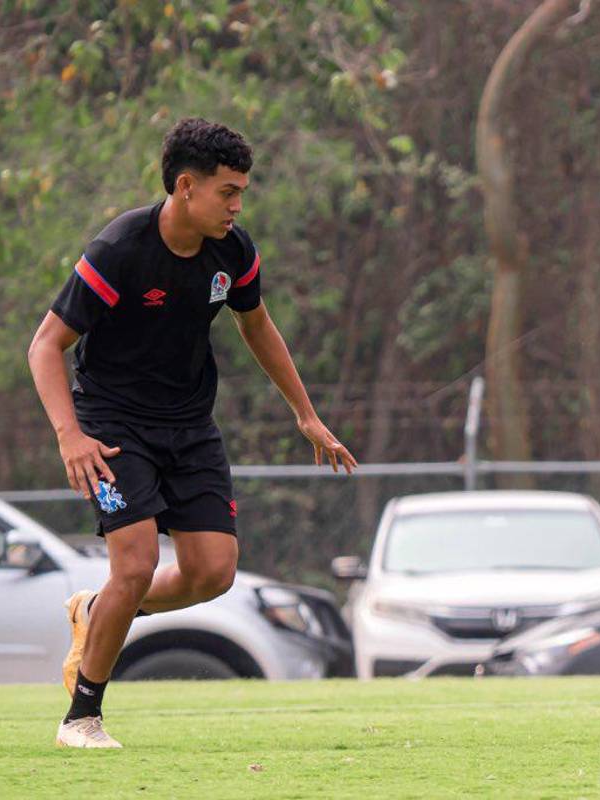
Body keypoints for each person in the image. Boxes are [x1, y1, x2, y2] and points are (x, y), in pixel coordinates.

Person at [27, 118, 357, 749]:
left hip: (189, 426)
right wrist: (69, 435)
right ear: (185, 188)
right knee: (136, 564)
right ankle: (82, 717)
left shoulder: (232, 251)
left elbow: (256, 326)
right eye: (227, 191)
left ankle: (96, 614)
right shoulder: (120, 248)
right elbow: (45, 345)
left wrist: (305, 413)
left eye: (242, 193)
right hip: (112, 426)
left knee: (213, 572)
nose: (237, 205)